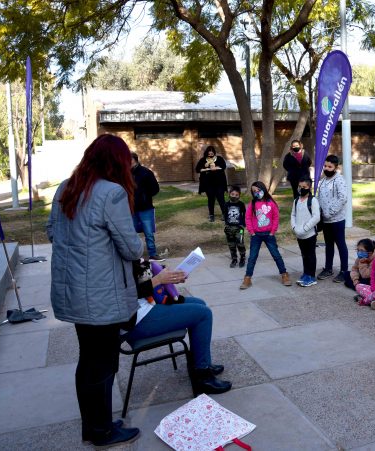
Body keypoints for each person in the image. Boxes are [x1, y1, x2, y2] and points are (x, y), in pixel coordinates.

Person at [47, 134, 145, 447]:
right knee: (103, 364)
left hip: (73, 292)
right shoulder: (112, 193)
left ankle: (92, 426)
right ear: (118, 161)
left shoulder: (67, 186)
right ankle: (103, 431)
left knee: (87, 361)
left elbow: (53, 231)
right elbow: (131, 248)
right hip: (100, 296)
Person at [127, 260, 231, 395]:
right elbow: (126, 294)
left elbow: (138, 276)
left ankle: (199, 362)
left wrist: (164, 274)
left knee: (200, 303)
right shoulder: (113, 257)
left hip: (145, 306)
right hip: (136, 320)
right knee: (203, 314)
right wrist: (158, 279)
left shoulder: (121, 251)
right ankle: (202, 376)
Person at [240, 181, 292, 290]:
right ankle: (247, 278)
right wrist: (252, 232)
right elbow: (248, 218)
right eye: (254, 191)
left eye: (258, 190)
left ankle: (284, 274)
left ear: (263, 189)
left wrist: (272, 231)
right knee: (252, 257)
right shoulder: (252, 204)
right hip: (256, 235)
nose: (257, 193)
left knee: (276, 255)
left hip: (269, 235)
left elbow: (275, 218)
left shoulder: (271, 203)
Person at [316, 155, 349, 283]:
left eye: (330, 166)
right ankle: (328, 268)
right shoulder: (323, 181)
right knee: (329, 245)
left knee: (341, 244)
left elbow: (342, 198)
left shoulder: (339, 180)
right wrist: (319, 213)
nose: (327, 168)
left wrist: (330, 212)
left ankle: (344, 271)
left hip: (337, 220)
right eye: (325, 166)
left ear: (336, 167)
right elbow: (319, 197)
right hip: (325, 220)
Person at [130, 152, 163, 261]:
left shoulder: (146, 172)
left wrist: (144, 196)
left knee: (148, 233)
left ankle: (152, 254)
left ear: (134, 160)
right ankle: (135, 256)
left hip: (145, 208)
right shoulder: (125, 173)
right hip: (131, 209)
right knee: (132, 233)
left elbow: (155, 188)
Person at [291, 176, 320, 287]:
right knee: (304, 255)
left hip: (310, 234)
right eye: (300, 186)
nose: (301, 189)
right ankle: (306, 273)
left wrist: (305, 228)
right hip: (299, 234)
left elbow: (316, 217)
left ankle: (311, 276)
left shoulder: (313, 201)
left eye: (304, 187)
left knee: (310, 255)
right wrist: (294, 227)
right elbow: (293, 214)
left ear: (309, 187)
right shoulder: (296, 201)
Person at [196, 146, 228, 222]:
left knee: (221, 199)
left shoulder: (219, 158)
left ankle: (224, 214)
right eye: (209, 151)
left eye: (212, 151)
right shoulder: (203, 160)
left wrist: (216, 167)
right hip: (208, 184)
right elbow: (197, 169)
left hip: (219, 183)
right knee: (211, 199)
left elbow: (223, 166)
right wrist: (205, 169)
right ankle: (211, 215)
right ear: (207, 152)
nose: (210, 152)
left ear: (214, 151)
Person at [224, 185, 246, 268]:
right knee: (231, 244)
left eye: (236, 195)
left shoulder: (241, 204)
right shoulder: (226, 204)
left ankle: (242, 257)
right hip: (229, 228)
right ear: (229, 194)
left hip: (239, 229)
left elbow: (244, 214)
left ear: (239, 195)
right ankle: (234, 258)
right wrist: (226, 224)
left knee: (240, 243)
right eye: (232, 194)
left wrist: (243, 224)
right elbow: (225, 214)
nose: (234, 196)